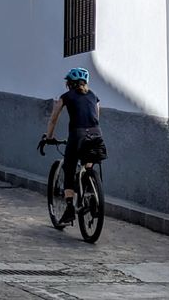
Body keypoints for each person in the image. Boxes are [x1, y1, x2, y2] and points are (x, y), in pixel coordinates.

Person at [40, 66, 101, 224]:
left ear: (69, 83)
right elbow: (96, 118)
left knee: (69, 168)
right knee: (88, 166)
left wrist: (49, 137)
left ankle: (69, 209)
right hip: (96, 135)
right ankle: (91, 194)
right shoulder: (94, 96)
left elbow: (53, 118)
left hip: (77, 135)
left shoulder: (66, 97)